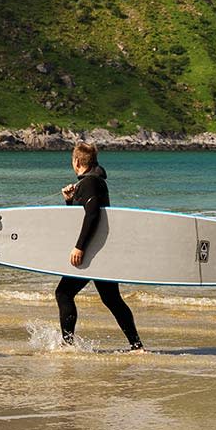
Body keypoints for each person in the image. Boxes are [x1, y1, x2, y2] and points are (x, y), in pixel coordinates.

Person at [55, 141, 144, 352]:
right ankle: (137, 346)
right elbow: (83, 216)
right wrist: (69, 201)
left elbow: (93, 215)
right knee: (112, 299)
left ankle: (67, 345)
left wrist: (79, 247)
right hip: (101, 250)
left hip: (92, 252)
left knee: (63, 293)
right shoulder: (94, 182)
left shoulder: (90, 183)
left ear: (77, 162)